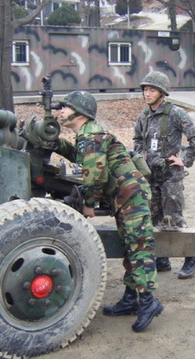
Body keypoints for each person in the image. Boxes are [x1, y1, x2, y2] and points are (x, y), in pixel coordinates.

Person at [52, 90, 163, 332]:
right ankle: (130, 300)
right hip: (126, 195)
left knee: (139, 247)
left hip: (131, 195)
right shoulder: (87, 136)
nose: (61, 111)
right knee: (129, 246)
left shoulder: (92, 135)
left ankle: (148, 303)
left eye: (65, 107)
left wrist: (89, 203)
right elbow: (82, 157)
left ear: (80, 113)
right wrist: (56, 143)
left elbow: (96, 175)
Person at [133, 71, 195, 279]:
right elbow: (137, 139)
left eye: (152, 90)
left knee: (173, 218)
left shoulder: (176, 114)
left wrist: (185, 159)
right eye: (146, 89)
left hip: (171, 176)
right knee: (154, 218)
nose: (147, 94)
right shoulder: (144, 115)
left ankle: (192, 256)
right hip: (151, 175)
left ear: (162, 93)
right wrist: (140, 156)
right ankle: (162, 258)